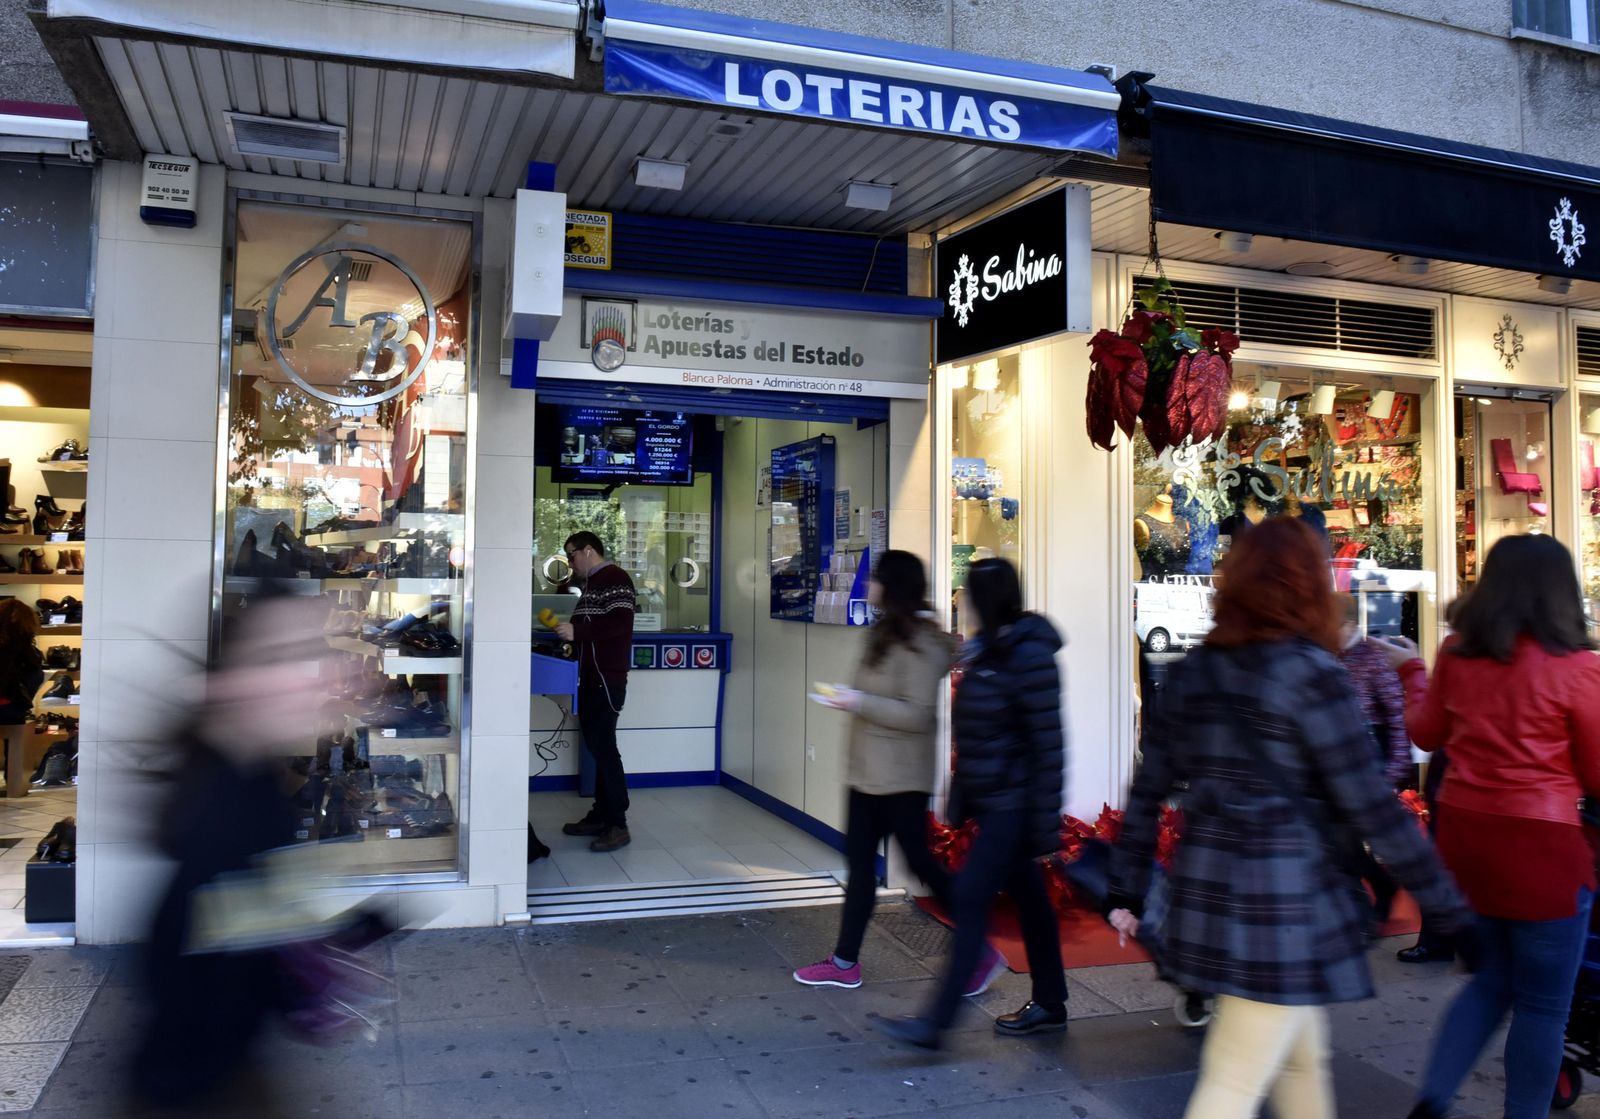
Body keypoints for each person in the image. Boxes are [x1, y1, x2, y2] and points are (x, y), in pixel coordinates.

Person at [1105, 517, 1473, 1119]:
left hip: (1207, 897)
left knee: (1301, 1060)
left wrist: (1124, 887)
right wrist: (1448, 906)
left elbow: (1148, 789)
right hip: (1278, 912)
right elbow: (1372, 805)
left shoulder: (1198, 671)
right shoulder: (1313, 675)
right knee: (1233, 1082)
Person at [1381, 535, 1600, 1119]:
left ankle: (1433, 1098)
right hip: (1544, 850)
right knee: (1544, 1006)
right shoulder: (1580, 669)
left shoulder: (1457, 653)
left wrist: (1411, 672)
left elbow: (1426, 734)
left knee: (1488, 982)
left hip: (1467, 845)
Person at [880, 557, 1068, 1050]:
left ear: (989, 598)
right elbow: (978, 735)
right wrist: (962, 796)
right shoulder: (987, 651)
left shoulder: (1028, 654)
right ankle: (1051, 1002)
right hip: (994, 803)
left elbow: (1049, 745)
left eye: (969, 593)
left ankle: (935, 1024)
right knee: (1032, 904)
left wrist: (1045, 823)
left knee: (969, 901)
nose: (962, 601)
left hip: (1015, 806)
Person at [794, 551, 975, 990]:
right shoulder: (886, 632)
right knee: (859, 866)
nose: (868, 584)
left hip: (900, 780)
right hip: (867, 775)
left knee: (920, 864)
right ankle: (844, 963)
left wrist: (857, 702)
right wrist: (851, 697)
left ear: (891, 585)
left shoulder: (921, 642)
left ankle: (977, 941)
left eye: (876, 578)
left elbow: (917, 714)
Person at [555, 530, 637, 853]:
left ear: (589, 551)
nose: (571, 563)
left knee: (604, 749)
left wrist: (578, 631)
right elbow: (584, 628)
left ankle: (617, 823)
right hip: (589, 679)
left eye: (572, 555)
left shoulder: (616, 578)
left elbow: (620, 624)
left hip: (606, 679)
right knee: (597, 747)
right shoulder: (589, 586)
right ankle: (601, 814)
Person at [1335, 592, 1413, 922]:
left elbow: (1396, 713)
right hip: (1337, 761)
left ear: (1349, 624)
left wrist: (1395, 766)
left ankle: (1377, 892)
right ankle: (1370, 895)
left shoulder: (1372, 657)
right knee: (1342, 838)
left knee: (1349, 838)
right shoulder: (1327, 656)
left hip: (1367, 760)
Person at [0, 599, 44, 733]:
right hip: (11, 709)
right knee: (36, 674)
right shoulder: (28, 651)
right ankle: (14, 750)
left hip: (8, 705)